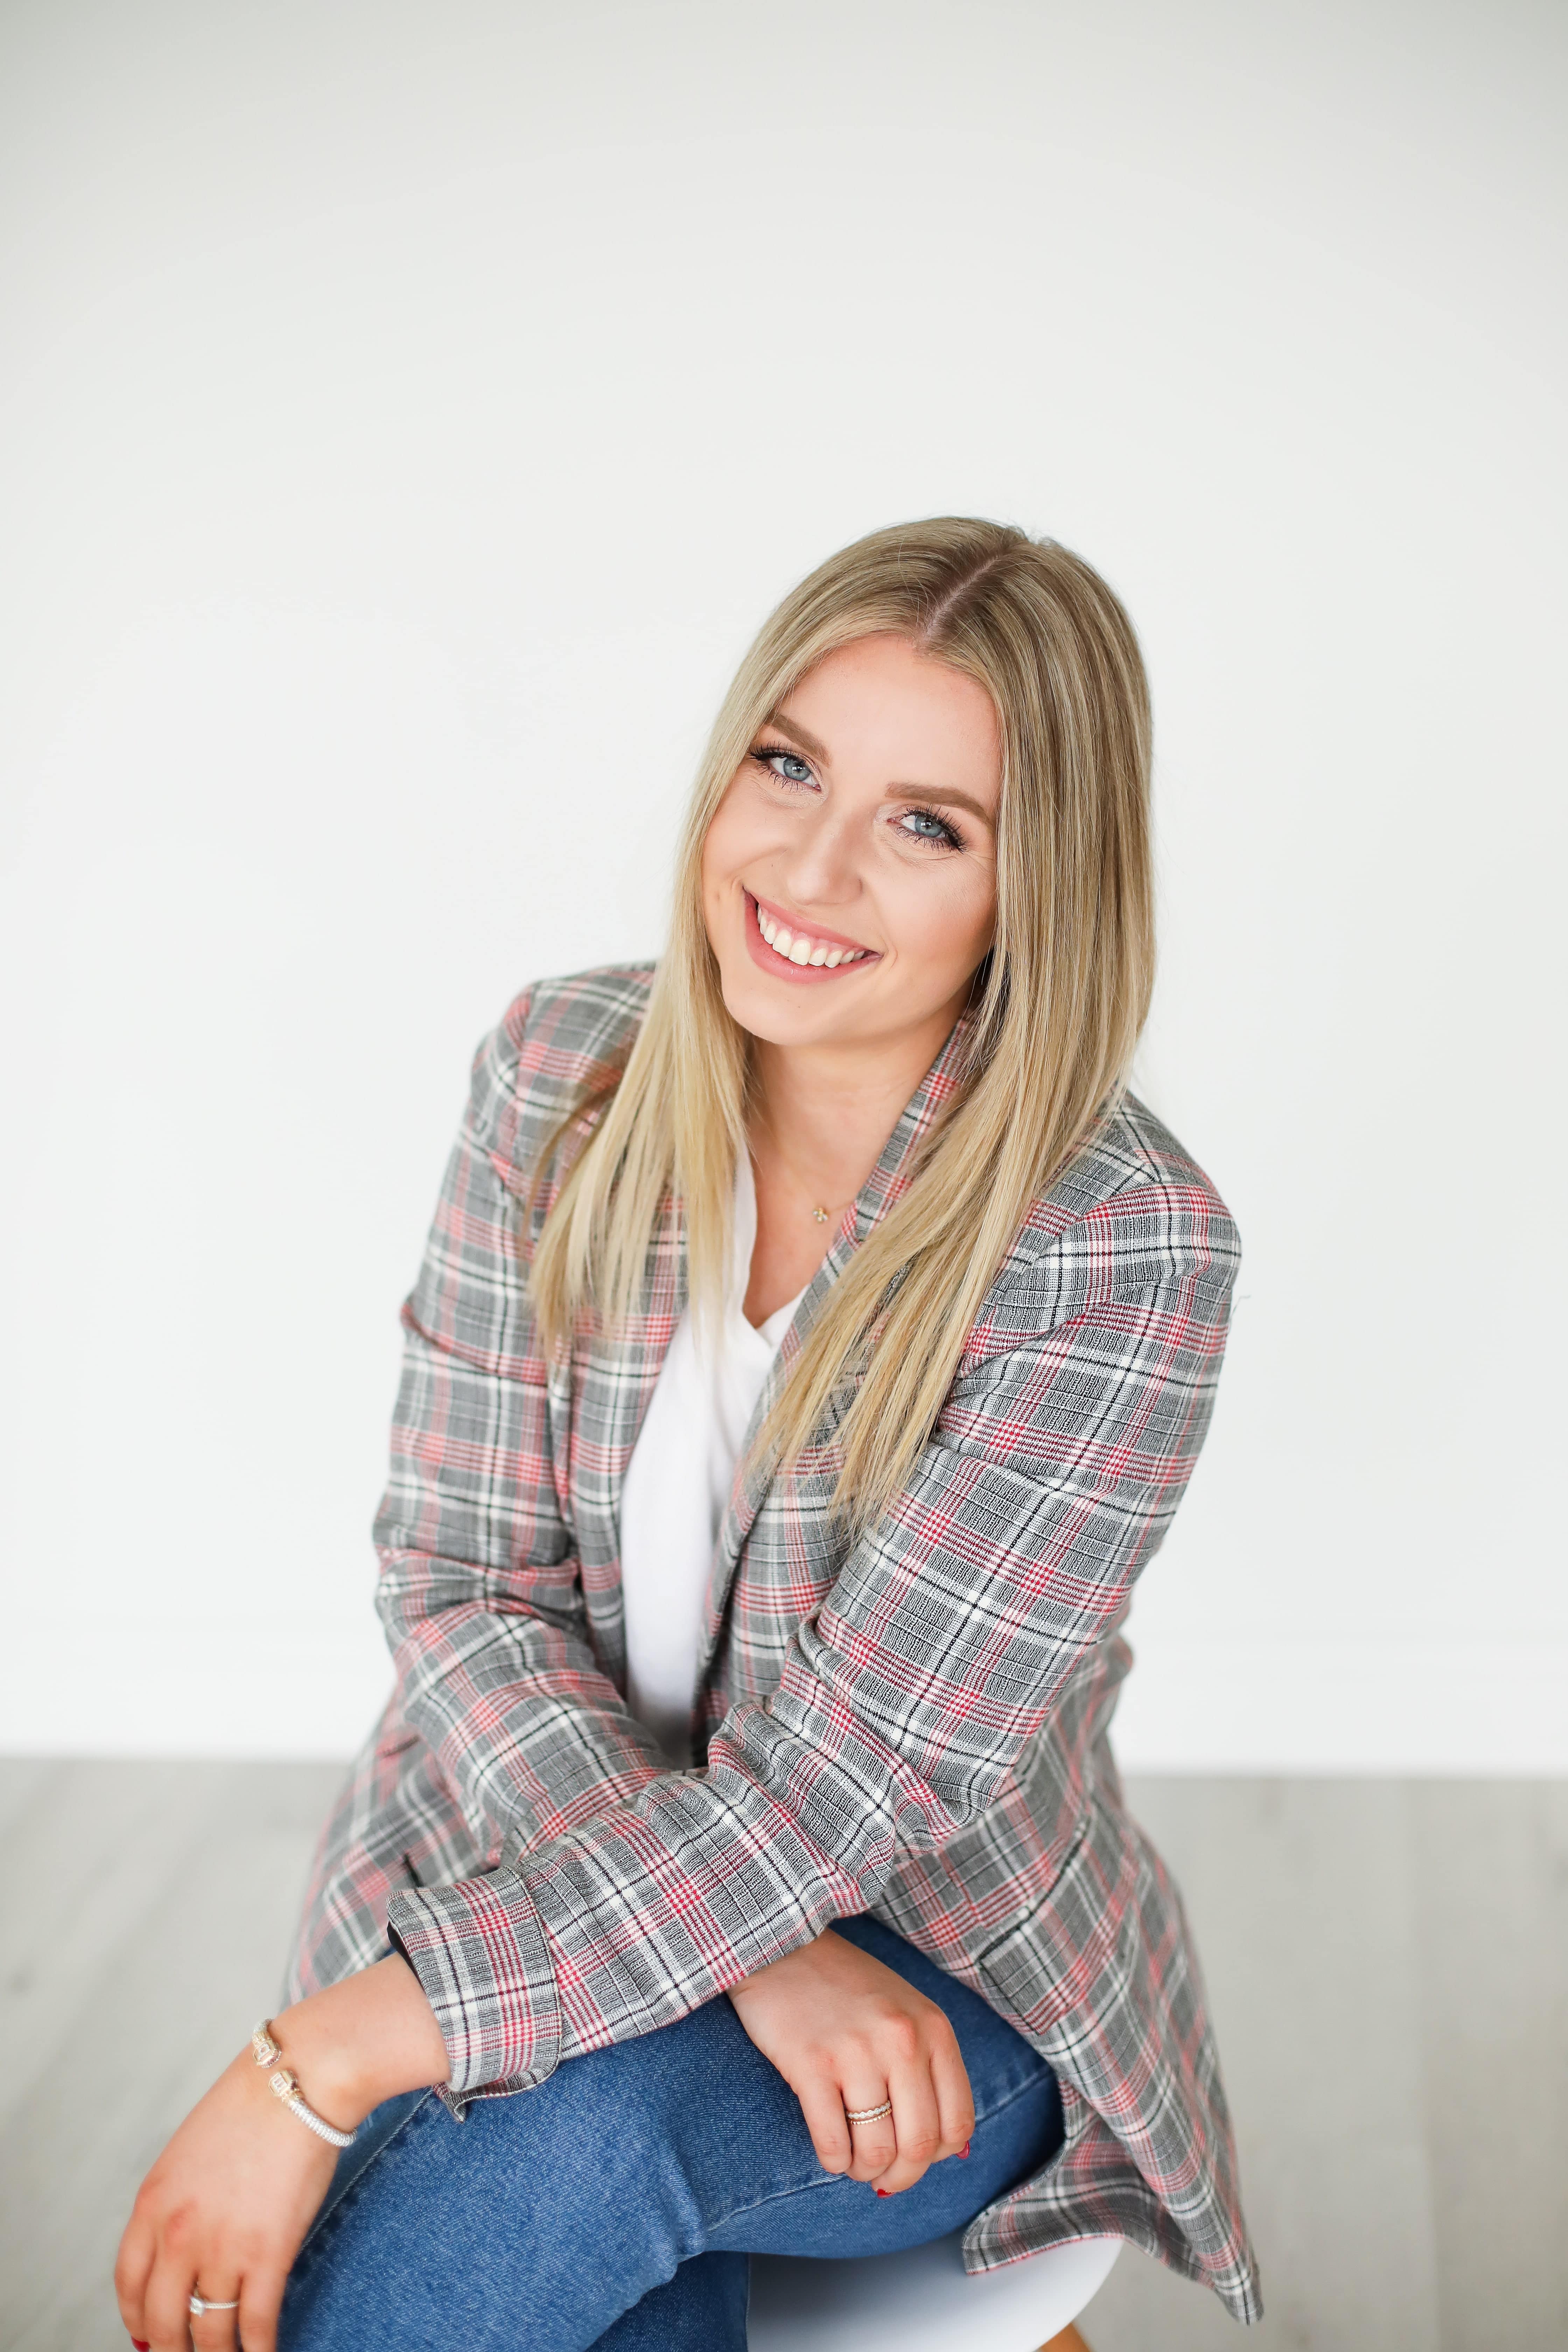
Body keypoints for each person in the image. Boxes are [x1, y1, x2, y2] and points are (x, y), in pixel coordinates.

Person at [115, 519, 1263, 2351]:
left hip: (930, 1966)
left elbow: (845, 1797)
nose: (808, 866)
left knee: (572, 2138)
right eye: (789, 767)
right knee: (571, 2198)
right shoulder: (559, 1075)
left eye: (927, 824)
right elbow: (464, 1584)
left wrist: (321, 2058)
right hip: (537, 1858)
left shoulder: (1116, 1252)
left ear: (1035, 886)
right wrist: (752, 1959)